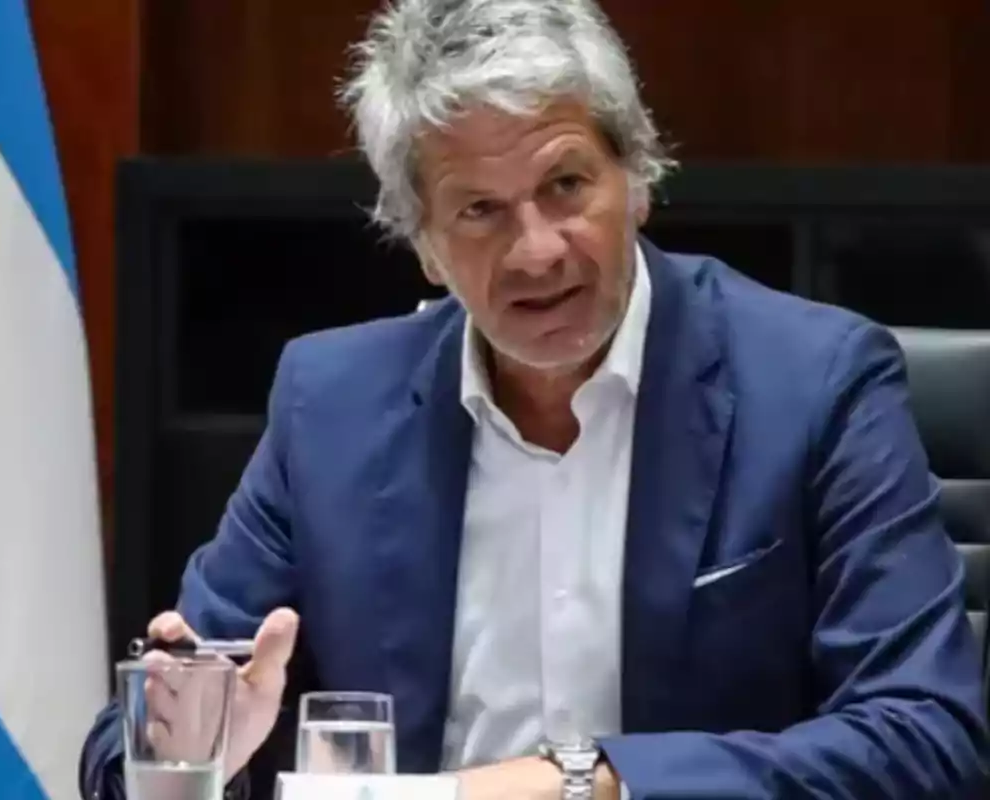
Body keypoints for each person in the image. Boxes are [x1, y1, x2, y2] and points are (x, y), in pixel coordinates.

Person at [80, 1, 990, 797]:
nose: (538, 251)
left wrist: (582, 785)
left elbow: (927, 734)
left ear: (636, 182)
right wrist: (192, 744)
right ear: (424, 246)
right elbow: (127, 749)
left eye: (565, 186)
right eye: (480, 210)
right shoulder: (332, 407)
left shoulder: (814, 383)